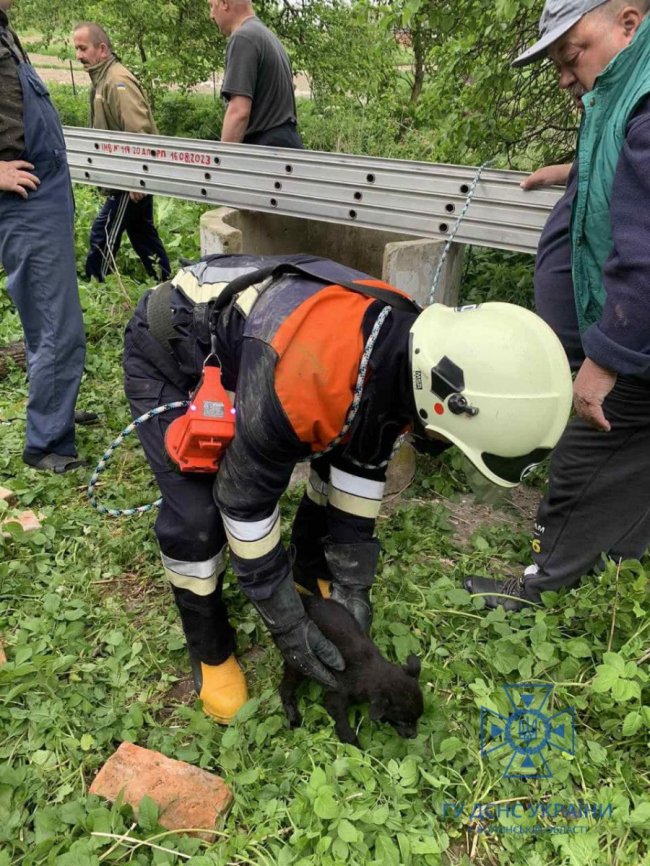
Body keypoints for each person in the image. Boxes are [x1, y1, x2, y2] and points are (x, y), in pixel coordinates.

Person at [123, 252, 572, 723]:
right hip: (171, 351)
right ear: (445, 404)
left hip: (252, 350)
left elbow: (362, 466)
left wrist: (353, 583)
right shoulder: (297, 379)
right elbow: (245, 506)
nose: (441, 446)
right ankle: (210, 648)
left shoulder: (409, 351)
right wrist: (287, 625)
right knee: (198, 521)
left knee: (342, 456)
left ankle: (306, 570)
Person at [466, 0, 650, 610]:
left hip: (635, 340)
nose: (566, 75)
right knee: (634, 456)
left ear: (628, 21)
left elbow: (646, 254)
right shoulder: (623, 84)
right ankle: (621, 560)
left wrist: (603, 362)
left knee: (580, 461)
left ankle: (540, 591)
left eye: (571, 54)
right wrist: (577, 169)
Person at [0, 0, 88, 473]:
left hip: (48, 188)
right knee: (58, 325)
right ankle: (47, 444)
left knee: (48, 319)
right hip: (25, 201)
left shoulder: (3, 29)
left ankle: (54, 409)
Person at [73, 22, 171, 283]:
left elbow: (138, 130)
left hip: (128, 180)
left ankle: (97, 289)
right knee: (143, 237)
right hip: (127, 177)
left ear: (102, 49)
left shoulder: (117, 81)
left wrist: (137, 177)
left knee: (102, 234)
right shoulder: (104, 78)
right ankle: (167, 283)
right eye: (76, 49)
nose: (78, 55)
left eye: (83, 48)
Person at [208, 0, 304, 147]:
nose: (211, 15)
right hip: (284, 148)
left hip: (266, 153)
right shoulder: (267, 36)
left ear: (224, 3)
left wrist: (222, 162)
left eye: (211, 6)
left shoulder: (243, 38)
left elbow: (239, 112)